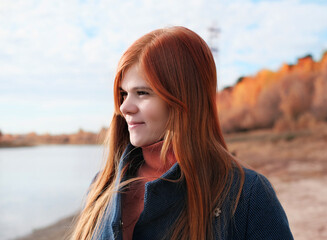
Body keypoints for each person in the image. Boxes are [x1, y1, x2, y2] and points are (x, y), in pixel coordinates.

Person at [71, 26, 294, 240]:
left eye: (142, 93)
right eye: (123, 94)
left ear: (184, 98)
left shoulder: (246, 195)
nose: (124, 107)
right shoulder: (102, 185)